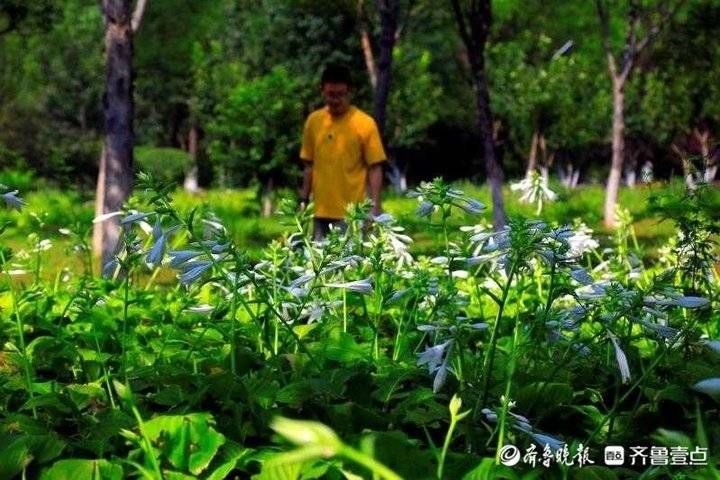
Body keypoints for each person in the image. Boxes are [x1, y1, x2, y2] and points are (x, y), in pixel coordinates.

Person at [299, 64, 387, 241]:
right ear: (322, 91)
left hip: (353, 214)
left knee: (351, 265)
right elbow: (309, 165)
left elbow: (375, 168)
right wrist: (303, 200)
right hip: (321, 211)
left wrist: (376, 207)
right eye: (330, 94)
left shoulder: (364, 123)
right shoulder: (314, 122)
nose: (335, 100)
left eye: (340, 94)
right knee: (319, 264)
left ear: (350, 92)